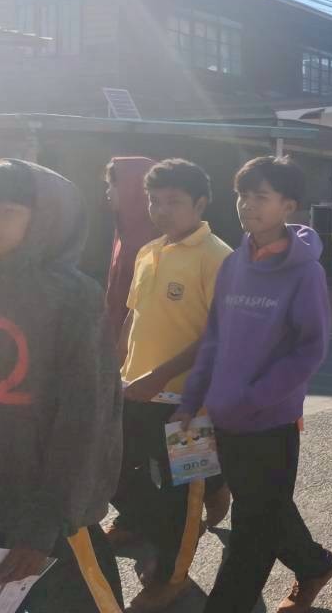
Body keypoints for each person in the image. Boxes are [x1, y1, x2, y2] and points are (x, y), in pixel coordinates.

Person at [173, 156, 332, 613]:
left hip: (269, 422)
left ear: (288, 205)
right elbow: (215, 337)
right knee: (267, 508)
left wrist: (252, 399)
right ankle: (314, 565)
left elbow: (309, 350)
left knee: (252, 527)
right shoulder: (233, 264)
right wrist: (192, 399)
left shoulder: (305, 272)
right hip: (220, 417)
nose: (247, 205)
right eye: (242, 195)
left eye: (260, 196)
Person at [0, 159, 124, 613]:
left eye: (6, 212)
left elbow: (85, 419)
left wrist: (46, 522)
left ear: (47, 220)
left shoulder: (73, 299)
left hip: (48, 516)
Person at [111, 159, 233, 611]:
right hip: (134, 390)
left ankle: (172, 579)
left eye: (173, 202)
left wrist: (159, 376)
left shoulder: (218, 257)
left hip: (187, 399)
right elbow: (134, 316)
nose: (160, 210)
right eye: (154, 201)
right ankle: (206, 490)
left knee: (183, 493)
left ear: (200, 204)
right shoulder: (148, 251)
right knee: (121, 470)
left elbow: (220, 334)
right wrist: (115, 366)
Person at [103, 156, 157, 346]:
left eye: (113, 185)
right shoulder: (123, 235)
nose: (107, 192)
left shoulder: (152, 245)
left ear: (132, 189)